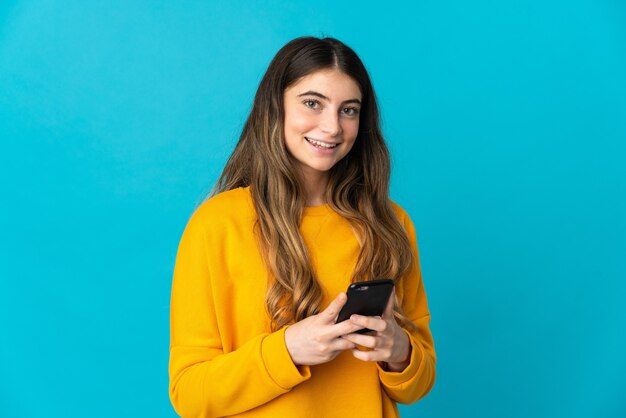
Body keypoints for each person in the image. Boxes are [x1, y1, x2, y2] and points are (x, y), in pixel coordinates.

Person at [169, 36, 436, 418]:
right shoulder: (217, 225)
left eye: (349, 110)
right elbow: (189, 394)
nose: (332, 126)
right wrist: (288, 350)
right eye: (313, 103)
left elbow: (420, 383)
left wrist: (399, 351)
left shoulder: (391, 224)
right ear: (274, 106)